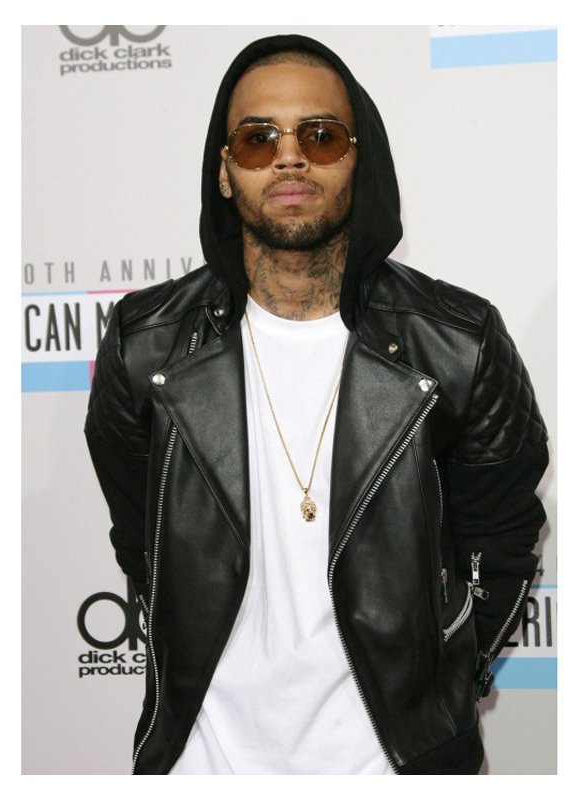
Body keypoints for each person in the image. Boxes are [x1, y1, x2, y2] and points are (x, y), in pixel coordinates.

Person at [85, 34, 549, 775]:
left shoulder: (457, 342)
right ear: (225, 170)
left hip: (393, 767)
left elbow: (502, 540)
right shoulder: (147, 346)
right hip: (204, 765)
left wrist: (441, 687)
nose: (290, 158)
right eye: (258, 138)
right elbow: (142, 542)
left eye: (321, 135)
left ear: (360, 159)